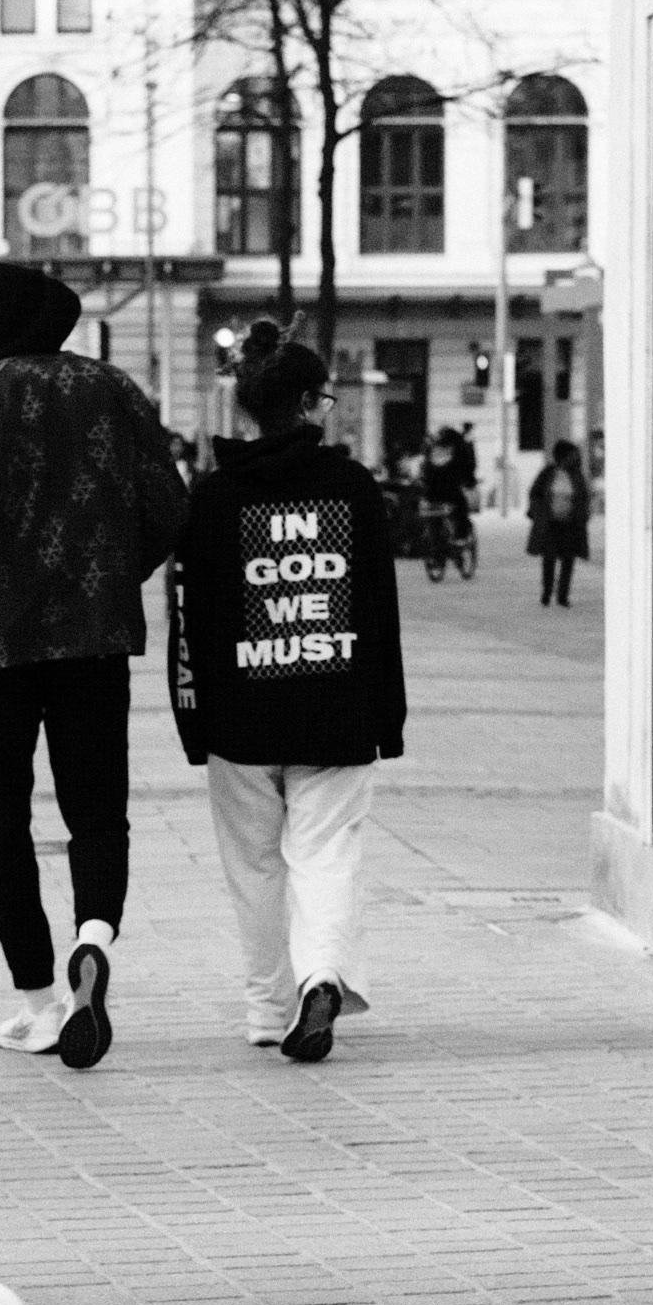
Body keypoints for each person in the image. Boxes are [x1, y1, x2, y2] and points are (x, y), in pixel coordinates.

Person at [0, 262, 189, 1067]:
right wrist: (111, 576)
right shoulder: (114, 390)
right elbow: (168, 506)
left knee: (3, 819)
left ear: (2, 318)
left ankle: (39, 1002)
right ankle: (92, 936)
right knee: (97, 811)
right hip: (95, 639)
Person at [167, 319, 406, 1063]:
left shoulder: (213, 496)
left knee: (255, 868)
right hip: (337, 706)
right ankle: (321, 978)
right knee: (326, 854)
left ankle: (267, 1010)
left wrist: (192, 718)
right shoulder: (351, 488)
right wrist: (387, 715)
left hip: (239, 717)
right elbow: (377, 605)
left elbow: (188, 617)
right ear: (307, 404)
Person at [527, 438, 591, 607]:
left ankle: (563, 596)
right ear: (563, 456)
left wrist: (582, 515)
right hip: (550, 523)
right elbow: (535, 493)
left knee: (568, 560)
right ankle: (547, 592)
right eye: (571, 455)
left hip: (570, 523)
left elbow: (583, 497)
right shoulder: (548, 473)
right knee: (549, 559)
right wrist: (538, 512)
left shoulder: (576, 475)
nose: (574, 458)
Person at [420, 427, 473, 542]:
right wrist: (470, 482)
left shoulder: (431, 449)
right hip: (451, 493)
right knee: (461, 508)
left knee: (424, 512)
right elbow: (466, 470)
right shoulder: (458, 450)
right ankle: (460, 537)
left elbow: (424, 471)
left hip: (430, 494)